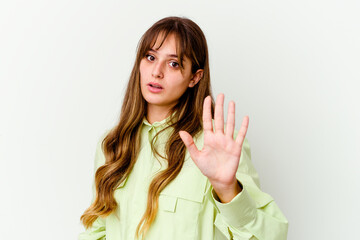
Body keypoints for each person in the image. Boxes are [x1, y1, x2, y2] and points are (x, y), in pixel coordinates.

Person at [79, 16, 288, 240]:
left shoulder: (216, 145)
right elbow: (97, 231)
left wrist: (227, 189)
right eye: (150, 57)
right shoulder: (112, 144)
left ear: (194, 77)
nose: (156, 71)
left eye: (173, 63)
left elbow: (269, 237)